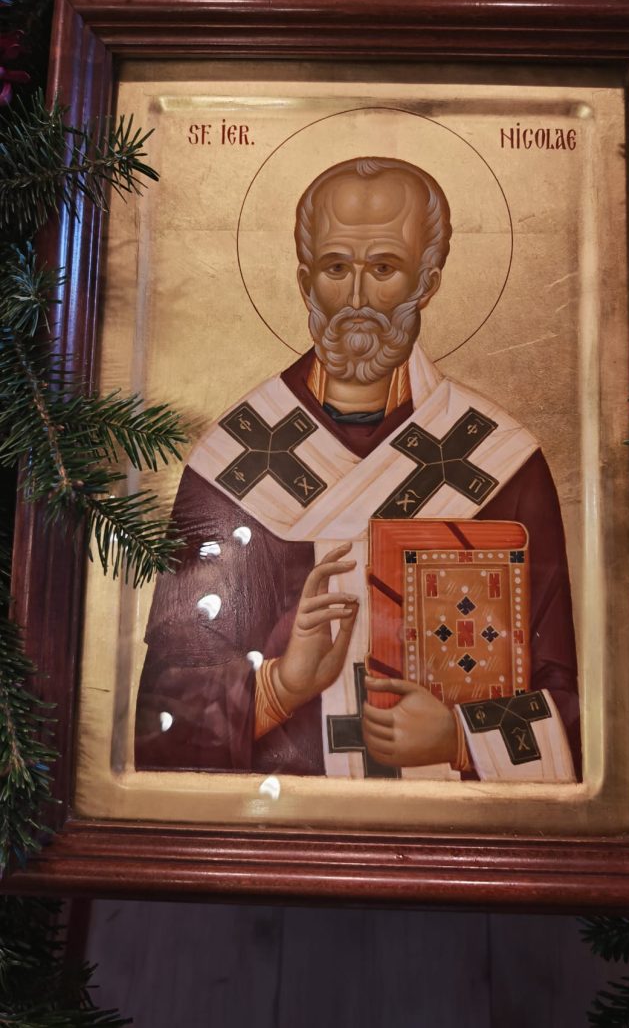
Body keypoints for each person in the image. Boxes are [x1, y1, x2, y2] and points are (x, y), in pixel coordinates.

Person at [135, 156, 581, 782]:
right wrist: (281, 687)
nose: (357, 298)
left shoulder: (500, 464)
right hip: (281, 824)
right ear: (305, 280)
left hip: (451, 830)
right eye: (336, 267)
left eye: (385, 268)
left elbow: (574, 709)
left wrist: (461, 738)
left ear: (427, 281)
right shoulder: (234, 462)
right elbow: (162, 716)